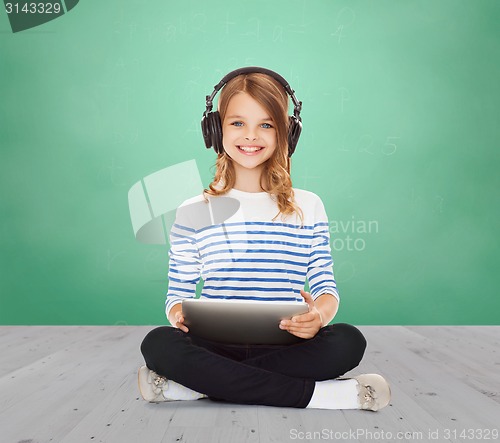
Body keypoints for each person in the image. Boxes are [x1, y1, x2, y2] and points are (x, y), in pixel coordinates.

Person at [138, 67, 390, 411]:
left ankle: (195, 388)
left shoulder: (308, 205)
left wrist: (319, 316)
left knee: (348, 340)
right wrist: (179, 314)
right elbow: (177, 296)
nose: (251, 136)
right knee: (158, 343)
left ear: (287, 132)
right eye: (237, 123)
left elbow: (324, 285)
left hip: (287, 344)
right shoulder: (193, 210)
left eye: (266, 124)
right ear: (215, 130)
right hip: (213, 345)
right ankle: (325, 396)